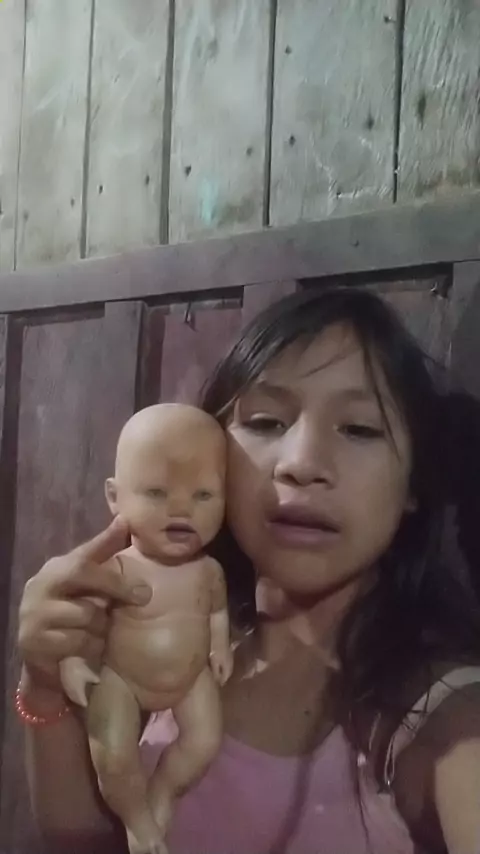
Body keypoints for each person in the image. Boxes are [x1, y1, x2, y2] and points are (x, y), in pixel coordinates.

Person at [17, 286, 480, 854]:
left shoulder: (444, 721)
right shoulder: (201, 637)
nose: (301, 464)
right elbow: (85, 841)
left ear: (413, 483)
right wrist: (43, 684)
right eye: (265, 421)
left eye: (359, 428)